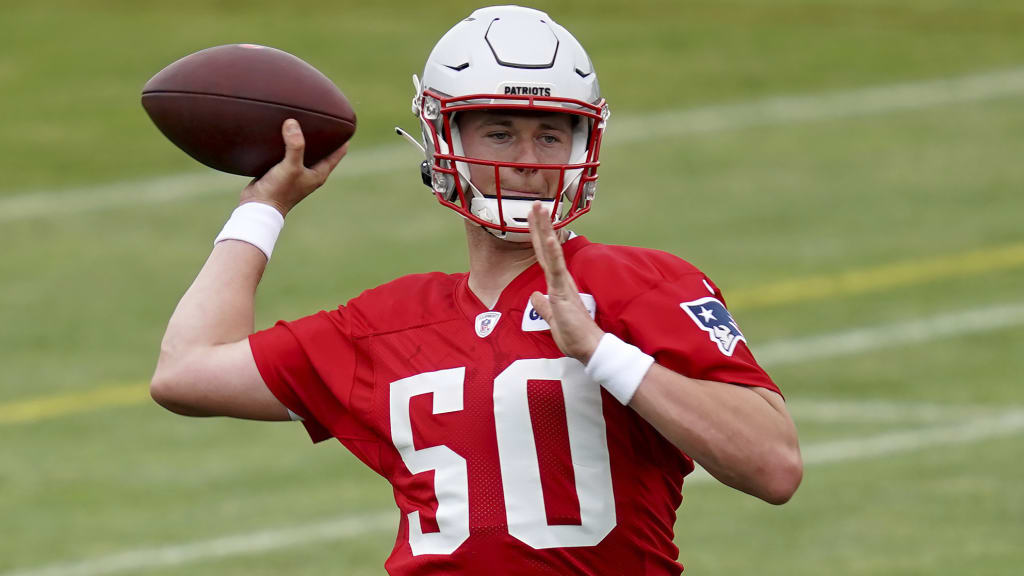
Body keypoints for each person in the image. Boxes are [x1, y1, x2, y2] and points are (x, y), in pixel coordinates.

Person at [150, 5, 802, 575]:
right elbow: (186, 371)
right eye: (498, 131)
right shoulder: (388, 322)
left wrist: (601, 351)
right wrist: (264, 208)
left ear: (584, 144)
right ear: (441, 140)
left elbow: (773, 467)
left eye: (550, 134)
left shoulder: (641, 285)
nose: (526, 158)